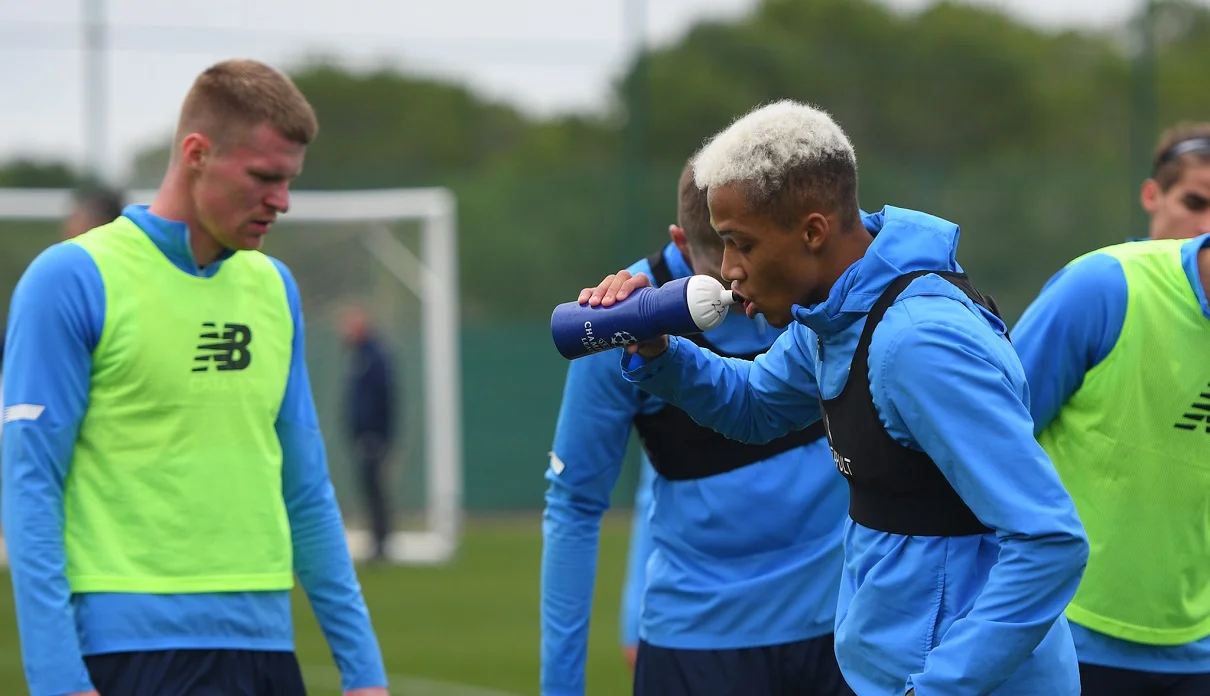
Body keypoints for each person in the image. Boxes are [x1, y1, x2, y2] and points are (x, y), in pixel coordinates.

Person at [579, 100, 1090, 696]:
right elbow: (756, 405)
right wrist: (659, 351)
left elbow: (1049, 541)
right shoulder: (834, 315)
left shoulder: (918, 342)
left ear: (813, 231)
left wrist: (939, 688)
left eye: (739, 243)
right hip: (883, 671)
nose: (728, 270)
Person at [1, 59, 388, 696]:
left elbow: (306, 486)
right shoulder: (71, 278)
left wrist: (364, 671)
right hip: (128, 654)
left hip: (265, 650)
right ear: (197, 153)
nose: (281, 201)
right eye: (264, 177)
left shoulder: (274, 287)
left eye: (289, 181)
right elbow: (29, 483)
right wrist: (54, 679)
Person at [541, 160, 852, 696]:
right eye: (722, 254)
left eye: (752, 250)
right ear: (681, 242)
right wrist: (561, 687)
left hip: (842, 630)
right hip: (700, 646)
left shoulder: (825, 291)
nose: (738, 279)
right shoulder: (623, 319)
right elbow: (575, 504)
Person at [1012, 123, 1210, 695]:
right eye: (1194, 202)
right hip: (1063, 636)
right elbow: (994, 444)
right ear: (1153, 197)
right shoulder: (1101, 287)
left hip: (1196, 652)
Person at [339, 303, 399, 563]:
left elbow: (385, 398)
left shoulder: (375, 356)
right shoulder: (358, 356)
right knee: (368, 488)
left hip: (373, 436)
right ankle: (377, 539)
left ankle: (382, 542)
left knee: (376, 489)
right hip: (362, 435)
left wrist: (380, 434)